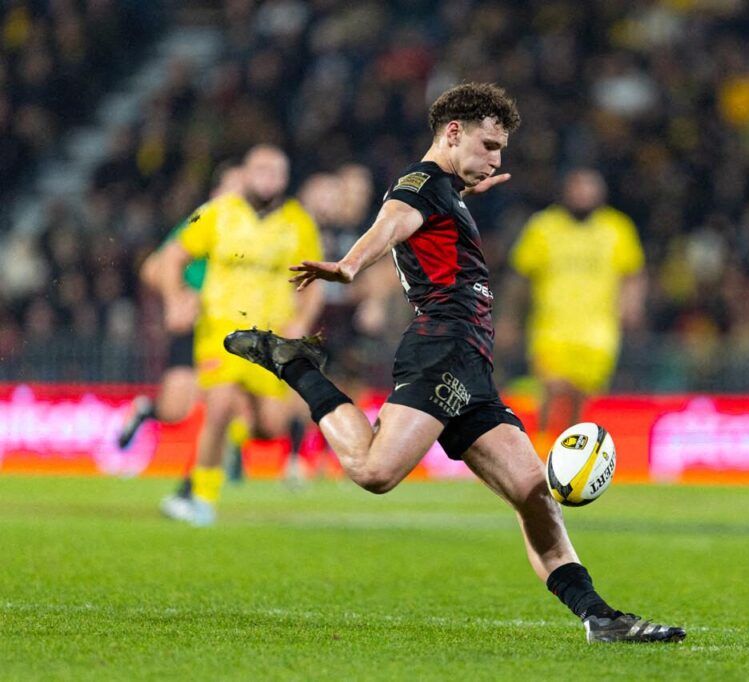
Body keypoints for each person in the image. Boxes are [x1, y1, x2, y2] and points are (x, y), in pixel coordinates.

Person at [223, 83, 685, 643]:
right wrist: (349, 265)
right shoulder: (421, 184)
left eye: (501, 152)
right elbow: (393, 219)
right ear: (454, 132)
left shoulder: (446, 191)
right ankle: (295, 365)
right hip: (441, 350)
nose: (495, 160)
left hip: (472, 365)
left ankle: (599, 617)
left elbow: (427, 223)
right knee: (374, 472)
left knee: (533, 494)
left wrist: (470, 188)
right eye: (489, 146)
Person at [160, 144, 324, 525]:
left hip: (272, 337)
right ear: (246, 173)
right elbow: (172, 256)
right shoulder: (215, 214)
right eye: (261, 169)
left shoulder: (298, 223)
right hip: (222, 329)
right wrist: (174, 299)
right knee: (217, 405)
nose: (268, 178)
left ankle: (237, 438)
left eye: (276, 171)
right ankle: (201, 496)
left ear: (285, 179)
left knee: (271, 427)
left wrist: (302, 320)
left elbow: (314, 280)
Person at [117, 163, 250, 518]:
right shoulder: (201, 222)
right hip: (196, 327)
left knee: (231, 407)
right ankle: (149, 411)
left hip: (232, 331)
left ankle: (193, 491)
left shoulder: (255, 232)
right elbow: (152, 268)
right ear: (216, 193)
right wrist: (177, 298)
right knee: (177, 411)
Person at [504, 168, 646, 447]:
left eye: (589, 188)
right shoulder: (543, 227)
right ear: (566, 191)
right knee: (552, 388)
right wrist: (509, 318)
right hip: (551, 328)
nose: (583, 194)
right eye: (578, 187)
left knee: (581, 397)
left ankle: (567, 454)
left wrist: (632, 304)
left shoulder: (617, 228)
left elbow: (633, 273)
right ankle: (541, 448)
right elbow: (520, 276)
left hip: (599, 331)